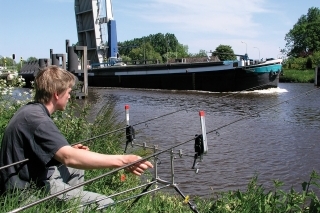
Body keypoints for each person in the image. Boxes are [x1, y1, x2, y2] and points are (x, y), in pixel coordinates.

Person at [0, 65, 153, 209]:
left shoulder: (31, 111)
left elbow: (39, 149)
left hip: (29, 177)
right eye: (68, 92)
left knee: (75, 169)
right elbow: (68, 158)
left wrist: (71, 151)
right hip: (26, 192)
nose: (70, 96)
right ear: (56, 94)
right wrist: (123, 160)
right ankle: (71, 204)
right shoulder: (38, 120)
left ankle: (70, 207)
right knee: (107, 203)